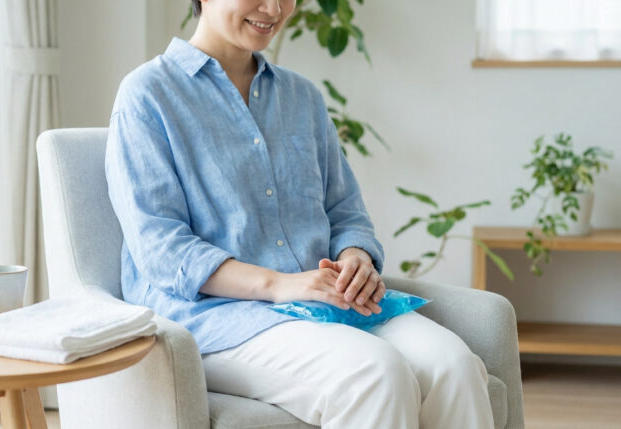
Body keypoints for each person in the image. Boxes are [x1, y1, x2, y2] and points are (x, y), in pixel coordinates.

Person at [105, 0, 495, 427]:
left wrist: (355, 260)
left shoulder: (301, 97)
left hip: (327, 300)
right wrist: (279, 285)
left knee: (453, 365)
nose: (274, 8)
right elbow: (161, 248)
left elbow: (344, 210)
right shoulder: (148, 94)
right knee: (374, 373)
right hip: (218, 319)